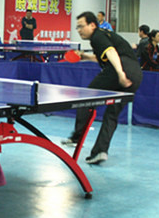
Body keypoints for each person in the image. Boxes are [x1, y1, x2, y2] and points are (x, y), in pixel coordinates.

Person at [61, 11, 142, 165]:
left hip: (120, 69)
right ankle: (100, 151)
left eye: (81, 26)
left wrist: (120, 73)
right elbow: (105, 56)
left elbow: (111, 52)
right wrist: (85, 57)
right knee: (112, 115)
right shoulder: (105, 35)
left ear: (92, 25)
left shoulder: (97, 36)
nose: (79, 30)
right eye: (77, 27)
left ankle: (77, 136)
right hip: (136, 74)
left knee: (86, 97)